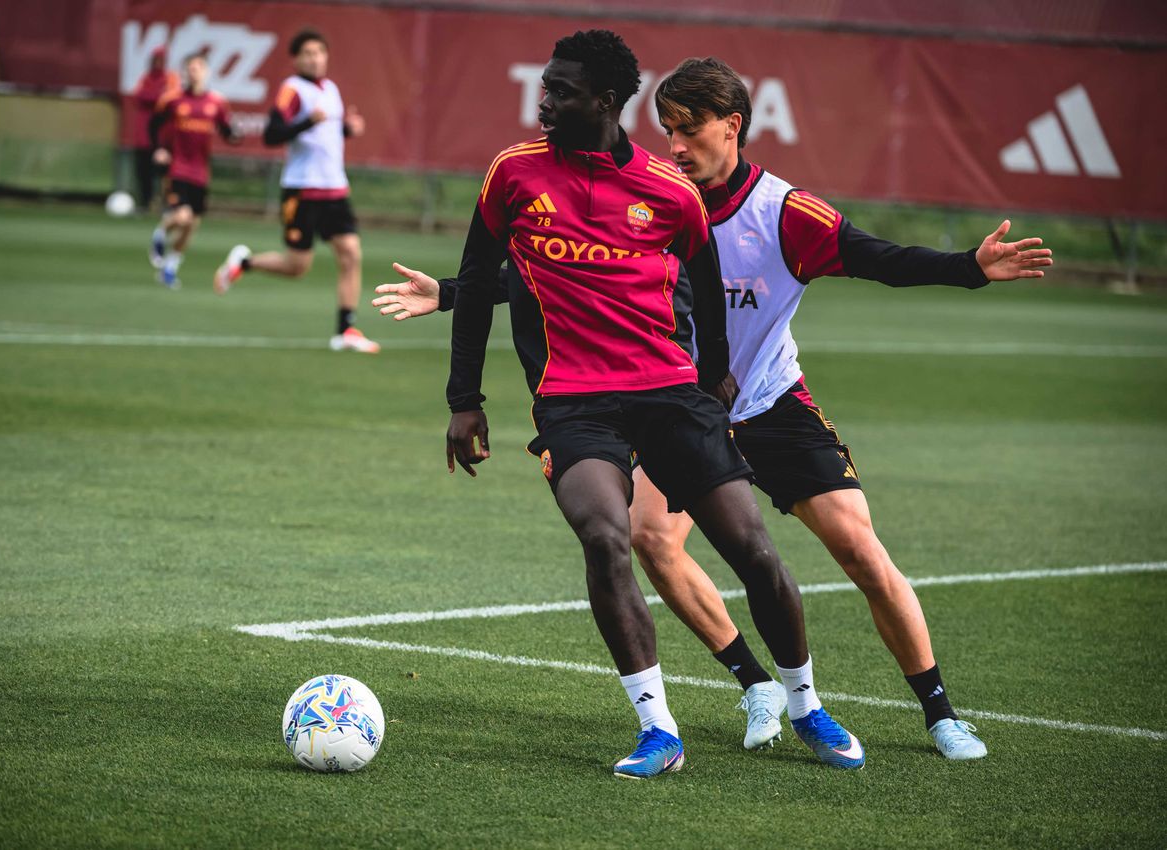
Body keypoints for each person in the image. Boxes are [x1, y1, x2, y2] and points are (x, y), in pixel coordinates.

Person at [376, 57, 1054, 762]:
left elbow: (878, 257)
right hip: (673, 399)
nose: (675, 145)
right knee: (646, 538)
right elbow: (567, 272)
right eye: (667, 130)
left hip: (766, 403)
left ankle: (938, 714)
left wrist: (967, 268)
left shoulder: (782, 213)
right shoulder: (649, 195)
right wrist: (455, 294)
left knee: (856, 549)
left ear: (732, 127)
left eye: (689, 130)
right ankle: (752, 682)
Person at [408, 30, 865, 777]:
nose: (544, 101)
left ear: (606, 101)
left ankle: (807, 704)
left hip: (668, 395)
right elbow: (474, 282)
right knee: (605, 536)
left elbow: (710, 292)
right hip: (573, 404)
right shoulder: (514, 174)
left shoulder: (670, 191)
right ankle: (659, 730)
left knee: (752, 549)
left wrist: (714, 380)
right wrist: (464, 401)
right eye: (545, 86)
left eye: (561, 90)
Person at [214, 29, 378, 353]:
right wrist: (307, 122)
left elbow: (327, 133)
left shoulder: (331, 88)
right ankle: (245, 262)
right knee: (297, 267)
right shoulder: (292, 90)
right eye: (307, 53)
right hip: (301, 190)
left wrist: (347, 129)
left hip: (335, 187)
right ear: (296, 59)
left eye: (319, 52)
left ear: (326, 56)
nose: (314, 58)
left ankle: (345, 330)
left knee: (351, 254)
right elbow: (272, 134)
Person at [147, 52, 238, 289]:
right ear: (184, 73)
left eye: (198, 67)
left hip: (201, 171)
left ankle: (170, 266)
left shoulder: (216, 102)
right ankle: (161, 231)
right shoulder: (172, 100)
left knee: (191, 226)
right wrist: (159, 149)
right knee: (182, 216)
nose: (194, 71)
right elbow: (153, 124)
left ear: (206, 72)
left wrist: (235, 135)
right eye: (190, 68)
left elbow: (227, 129)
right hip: (178, 168)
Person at [129, 45, 179, 212]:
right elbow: (138, 96)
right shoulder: (145, 78)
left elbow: (170, 99)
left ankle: (168, 202)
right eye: (155, 59)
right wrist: (156, 97)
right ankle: (145, 202)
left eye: (160, 59)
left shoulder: (170, 78)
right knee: (143, 170)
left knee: (166, 171)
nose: (157, 63)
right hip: (143, 133)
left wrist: (154, 98)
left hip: (163, 134)